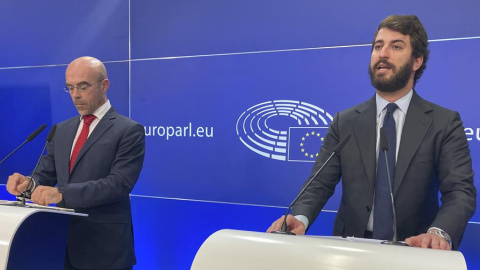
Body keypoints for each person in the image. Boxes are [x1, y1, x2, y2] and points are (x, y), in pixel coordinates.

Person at [267, 15, 476, 250]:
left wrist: (438, 233)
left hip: (415, 249)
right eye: (378, 46)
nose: (382, 54)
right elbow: (320, 184)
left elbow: (460, 191)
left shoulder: (444, 122)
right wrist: (301, 217)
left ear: (416, 61)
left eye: (396, 46)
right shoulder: (345, 122)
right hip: (351, 249)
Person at [6, 56, 145, 270]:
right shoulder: (61, 130)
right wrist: (29, 183)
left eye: (83, 86)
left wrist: (62, 194)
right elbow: (45, 173)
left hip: (104, 250)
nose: (76, 95)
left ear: (104, 85)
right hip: (58, 246)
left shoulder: (128, 130)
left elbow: (119, 184)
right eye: (70, 88)